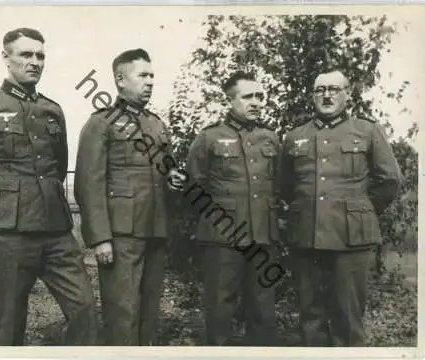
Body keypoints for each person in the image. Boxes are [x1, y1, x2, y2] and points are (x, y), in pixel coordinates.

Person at [0, 28, 98, 346]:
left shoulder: (52, 110)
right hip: (7, 234)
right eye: (26, 54)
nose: (34, 62)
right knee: (10, 322)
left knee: (84, 308)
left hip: (55, 230)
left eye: (40, 55)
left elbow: (58, 169)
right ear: (6, 58)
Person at [279, 69, 403, 346]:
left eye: (334, 89)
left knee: (348, 318)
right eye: (320, 90)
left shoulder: (367, 131)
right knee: (310, 316)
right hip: (306, 236)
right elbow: (285, 185)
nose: (327, 95)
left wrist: (361, 212)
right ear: (312, 95)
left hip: (351, 239)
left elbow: (389, 179)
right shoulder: (295, 136)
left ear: (347, 94)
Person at [74, 48, 183, 346]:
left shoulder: (156, 124)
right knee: (123, 311)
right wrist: (100, 238)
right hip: (121, 234)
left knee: (149, 310)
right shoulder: (102, 123)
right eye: (142, 75)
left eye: (152, 76)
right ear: (120, 79)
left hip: (155, 229)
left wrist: (173, 179)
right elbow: (88, 183)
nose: (150, 82)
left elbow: (167, 168)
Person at [185, 71, 281, 346]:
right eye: (248, 96)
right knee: (220, 309)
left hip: (263, 237)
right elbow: (193, 188)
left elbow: (280, 186)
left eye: (260, 96)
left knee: (263, 311)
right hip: (222, 239)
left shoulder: (271, 140)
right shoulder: (209, 138)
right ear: (230, 100)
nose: (257, 102)